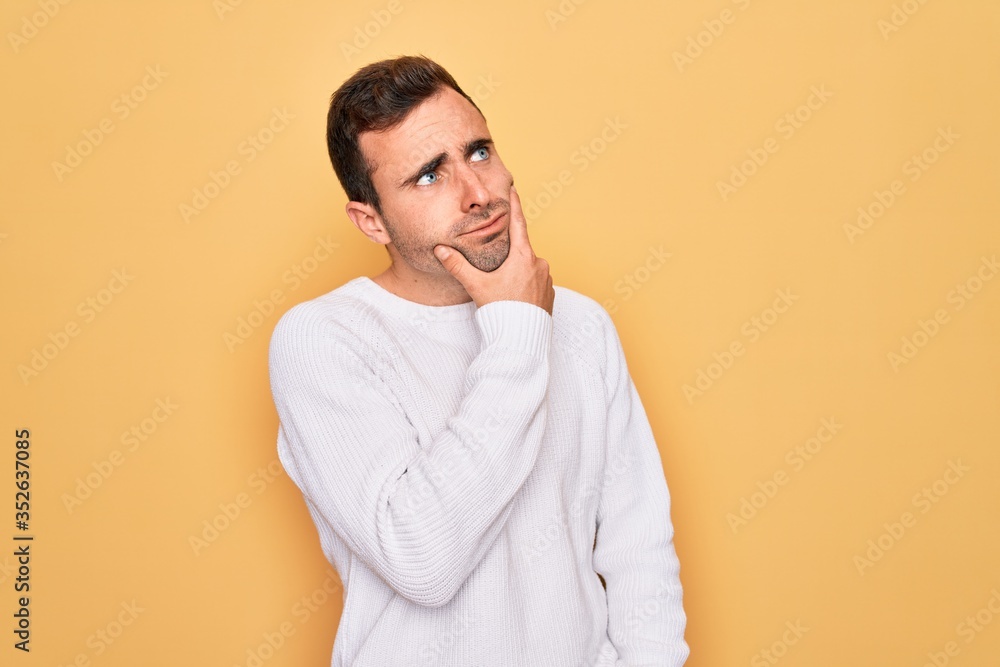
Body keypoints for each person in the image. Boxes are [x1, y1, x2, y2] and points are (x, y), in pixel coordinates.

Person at [268, 54, 689, 666]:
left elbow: (638, 548)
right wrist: (517, 328)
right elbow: (422, 559)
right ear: (371, 221)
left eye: (479, 152)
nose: (477, 194)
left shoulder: (584, 326)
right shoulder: (322, 341)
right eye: (429, 177)